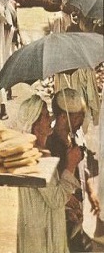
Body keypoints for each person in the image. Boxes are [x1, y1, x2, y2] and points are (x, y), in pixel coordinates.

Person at [11, 94, 81, 253]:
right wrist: (71, 165)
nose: (50, 119)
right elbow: (56, 198)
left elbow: (48, 196)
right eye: (45, 115)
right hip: (41, 234)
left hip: (41, 225)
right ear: (35, 124)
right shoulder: (36, 156)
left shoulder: (38, 152)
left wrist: (67, 210)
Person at [47, 89, 100, 252]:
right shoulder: (51, 145)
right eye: (77, 116)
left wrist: (90, 191)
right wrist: (66, 208)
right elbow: (52, 189)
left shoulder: (76, 136)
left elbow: (83, 165)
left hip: (77, 217)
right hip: (61, 218)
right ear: (63, 117)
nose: (81, 121)